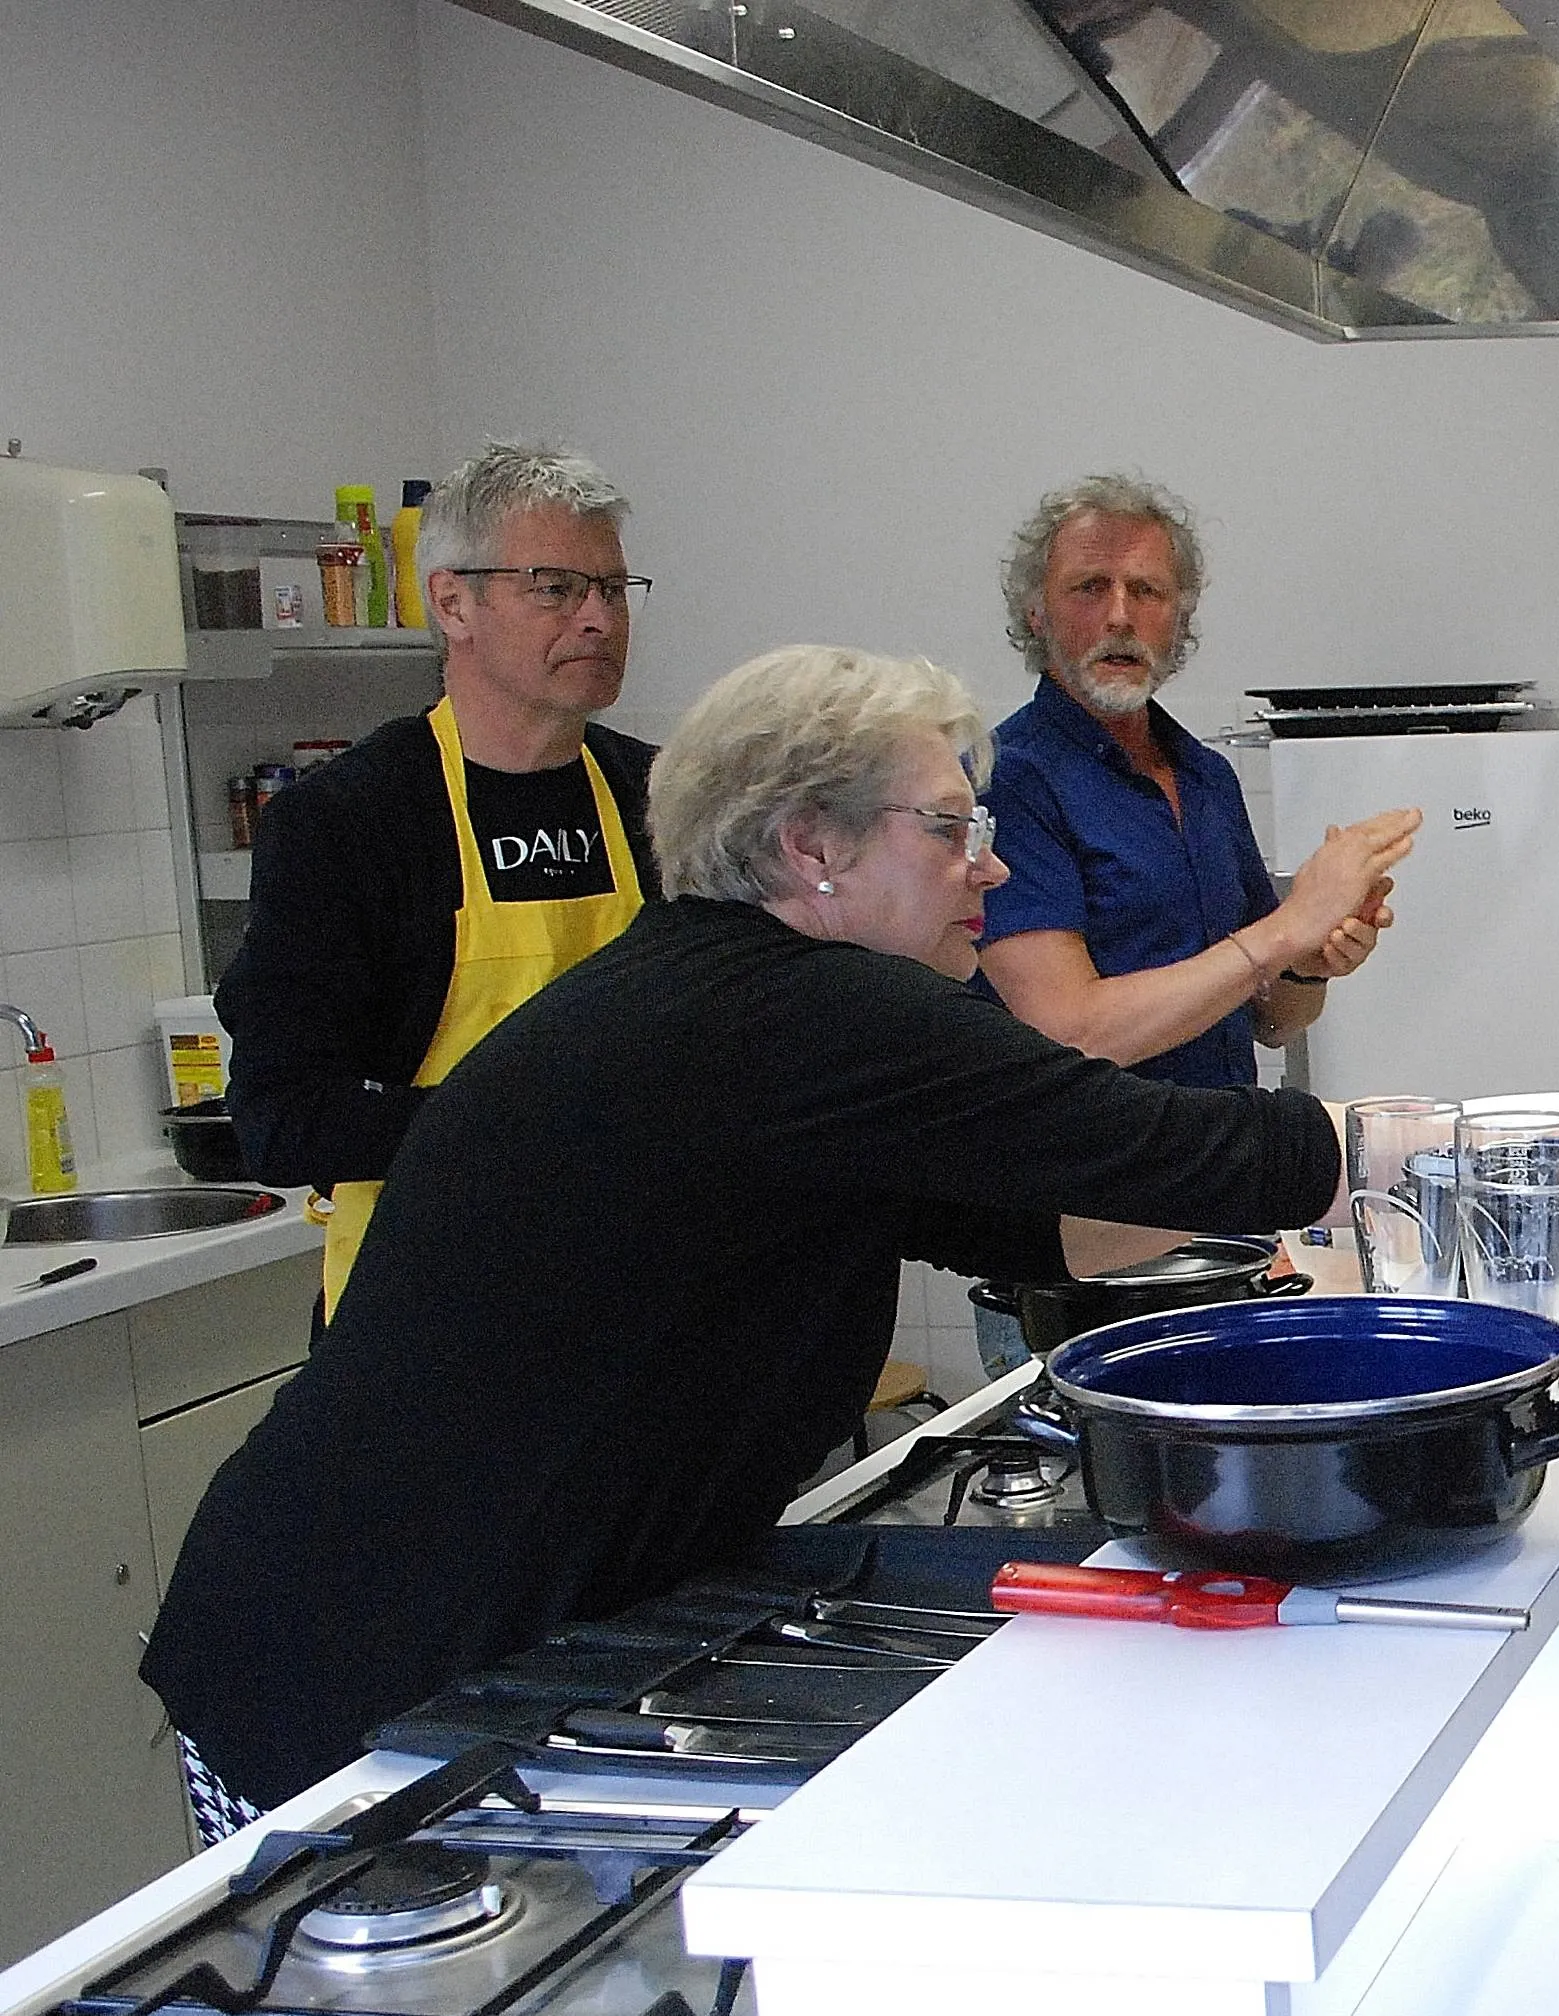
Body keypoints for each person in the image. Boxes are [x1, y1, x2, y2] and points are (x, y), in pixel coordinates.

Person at [143, 644, 1383, 1827]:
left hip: (466, 1625)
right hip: (354, 1675)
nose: (988, 871)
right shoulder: (798, 1008)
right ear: (810, 847)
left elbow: (1035, 1218)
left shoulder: (741, 1000)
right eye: (951, 829)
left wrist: (1329, 1183)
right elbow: (1143, 1139)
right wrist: (1426, 1150)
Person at [218, 442, 660, 1315]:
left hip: (637, 1299)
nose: (599, 619)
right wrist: (546, 1127)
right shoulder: (350, 822)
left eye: (612, 588)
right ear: (451, 601)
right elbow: (283, 1118)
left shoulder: (664, 799)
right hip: (425, 1317)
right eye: (555, 587)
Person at [979, 473, 1412, 1082]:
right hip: (1091, 1166)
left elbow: (1272, 1022)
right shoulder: (1010, 778)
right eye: (1089, 588)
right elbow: (1070, 1033)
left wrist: (1309, 962)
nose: (1120, 617)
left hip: (1220, 1149)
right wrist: (1288, 928)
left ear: (1179, 621)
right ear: (1037, 614)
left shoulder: (1206, 776)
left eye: (1147, 591)